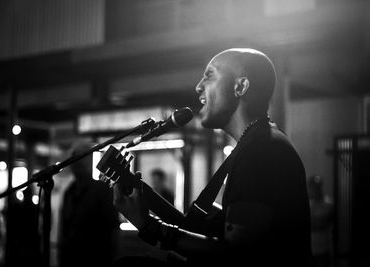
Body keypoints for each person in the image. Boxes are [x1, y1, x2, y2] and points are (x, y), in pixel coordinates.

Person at [112, 48, 313, 266]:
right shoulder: (254, 144)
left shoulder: (263, 150)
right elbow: (203, 231)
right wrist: (143, 195)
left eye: (209, 75)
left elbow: (235, 255)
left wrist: (150, 227)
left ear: (240, 86)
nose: (198, 86)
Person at [58, 142, 119, 267]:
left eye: (82, 157)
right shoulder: (69, 192)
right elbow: (65, 227)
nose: (77, 162)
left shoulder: (102, 190)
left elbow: (113, 228)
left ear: (89, 161)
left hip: (96, 258)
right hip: (71, 258)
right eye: (75, 158)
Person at [307, 175, 334, 267]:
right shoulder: (307, 204)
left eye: (317, 187)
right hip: (310, 250)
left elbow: (322, 225)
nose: (315, 190)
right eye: (313, 187)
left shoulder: (328, 204)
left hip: (323, 250)